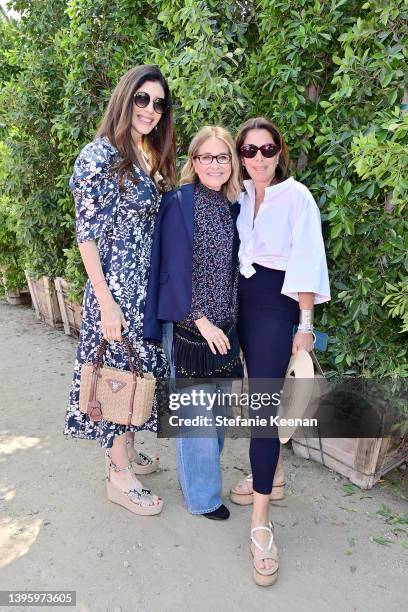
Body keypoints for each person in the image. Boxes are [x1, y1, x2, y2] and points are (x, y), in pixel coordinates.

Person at [64, 65, 176, 516]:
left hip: (144, 287)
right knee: (115, 374)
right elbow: (86, 237)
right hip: (115, 289)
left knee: (135, 370)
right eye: (142, 99)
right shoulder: (98, 156)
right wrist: (107, 304)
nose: (151, 109)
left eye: (159, 103)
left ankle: (124, 450)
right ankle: (118, 475)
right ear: (125, 98)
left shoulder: (147, 152)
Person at [233, 117, 330, 585]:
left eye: (266, 150)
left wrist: (305, 327)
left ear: (279, 152)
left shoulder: (299, 197)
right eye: (248, 151)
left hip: (275, 304)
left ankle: (260, 524)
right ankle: (271, 476)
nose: (258, 159)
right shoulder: (238, 194)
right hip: (236, 301)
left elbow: (307, 259)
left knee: (262, 410)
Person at [143, 126, 242, 520]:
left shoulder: (234, 205)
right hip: (190, 325)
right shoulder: (179, 202)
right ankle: (202, 497)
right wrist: (200, 319)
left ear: (232, 162)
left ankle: (203, 476)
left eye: (222, 157)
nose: (214, 165)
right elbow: (167, 270)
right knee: (194, 415)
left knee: (219, 414)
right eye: (205, 157)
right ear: (193, 161)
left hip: (228, 326)